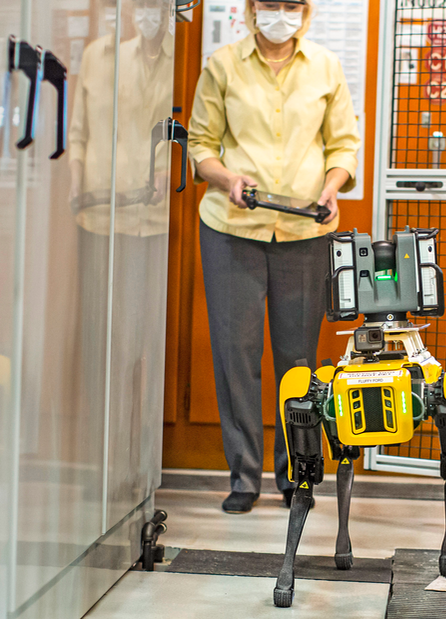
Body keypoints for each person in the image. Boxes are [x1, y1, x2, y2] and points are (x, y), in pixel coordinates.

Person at [188, 0, 361, 514]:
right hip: (231, 230)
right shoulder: (222, 66)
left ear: (305, 12)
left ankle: (297, 475)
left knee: (298, 360)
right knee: (235, 354)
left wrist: (333, 188)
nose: (280, 14)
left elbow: (344, 146)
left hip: (305, 233)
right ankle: (243, 476)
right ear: (250, 9)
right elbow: (200, 144)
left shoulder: (326, 67)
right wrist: (227, 180)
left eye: (291, 5)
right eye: (270, 4)